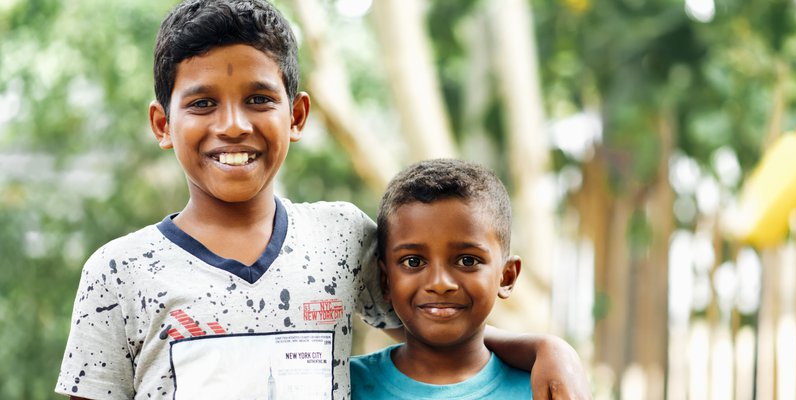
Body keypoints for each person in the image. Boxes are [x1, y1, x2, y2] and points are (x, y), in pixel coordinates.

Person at [55, 0, 589, 399]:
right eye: (202, 104)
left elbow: (441, 326)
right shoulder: (118, 273)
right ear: (161, 123)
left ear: (298, 115)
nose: (233, 125)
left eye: (260, 99)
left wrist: (547, 347)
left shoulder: (341, 237)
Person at [351, 159, 534, 399]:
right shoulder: (342, 383)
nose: (440, 283)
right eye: (413, 262)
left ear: (506, 276)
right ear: (385, 280)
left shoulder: (543, 388)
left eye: (467, 261)